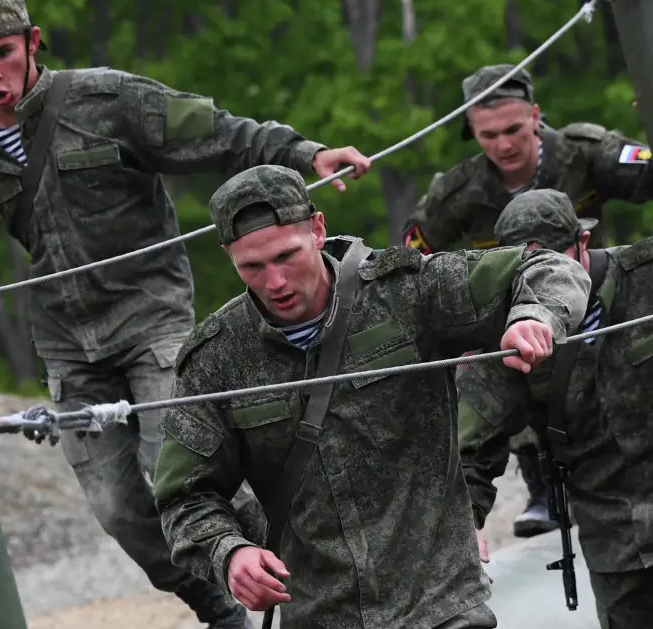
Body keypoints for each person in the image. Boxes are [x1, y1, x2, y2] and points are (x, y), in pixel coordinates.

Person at [0, 0, 372, 628]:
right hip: (67, 345)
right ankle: (218, 607)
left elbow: (219, 134)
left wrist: (306, 153)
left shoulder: (108, 101)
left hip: (152, 319)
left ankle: (301, 588)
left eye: (2, 53)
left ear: (33, 43)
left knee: (177, 469)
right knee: (120, 509)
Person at [152, 164, 591, 629]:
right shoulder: (215, 361)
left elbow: (545, 266)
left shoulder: (406, 292)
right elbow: (184, 497)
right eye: (252, 267)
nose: (275, 282)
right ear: (228, 257)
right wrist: (229, 553)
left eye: (286, 257)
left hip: (441, 607)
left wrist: (534, 316)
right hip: (321, 616)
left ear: (317, 229)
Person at [403, 63, 653, 538]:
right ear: (472, 131)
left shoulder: (582, 153)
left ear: (536, 116)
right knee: (495, 362)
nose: (504, 145)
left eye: (514, 129)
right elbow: (412, 260)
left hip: (594, 290)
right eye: (488, 134)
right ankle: (539, 483)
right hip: (509, 311)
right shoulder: (458, 193)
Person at [459, 188, 653, 629]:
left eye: (552, 258)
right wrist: (463, 523)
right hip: (616, 541)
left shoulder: (645, 277)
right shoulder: (505, 335)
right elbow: (473, 441)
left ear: (582, 244)